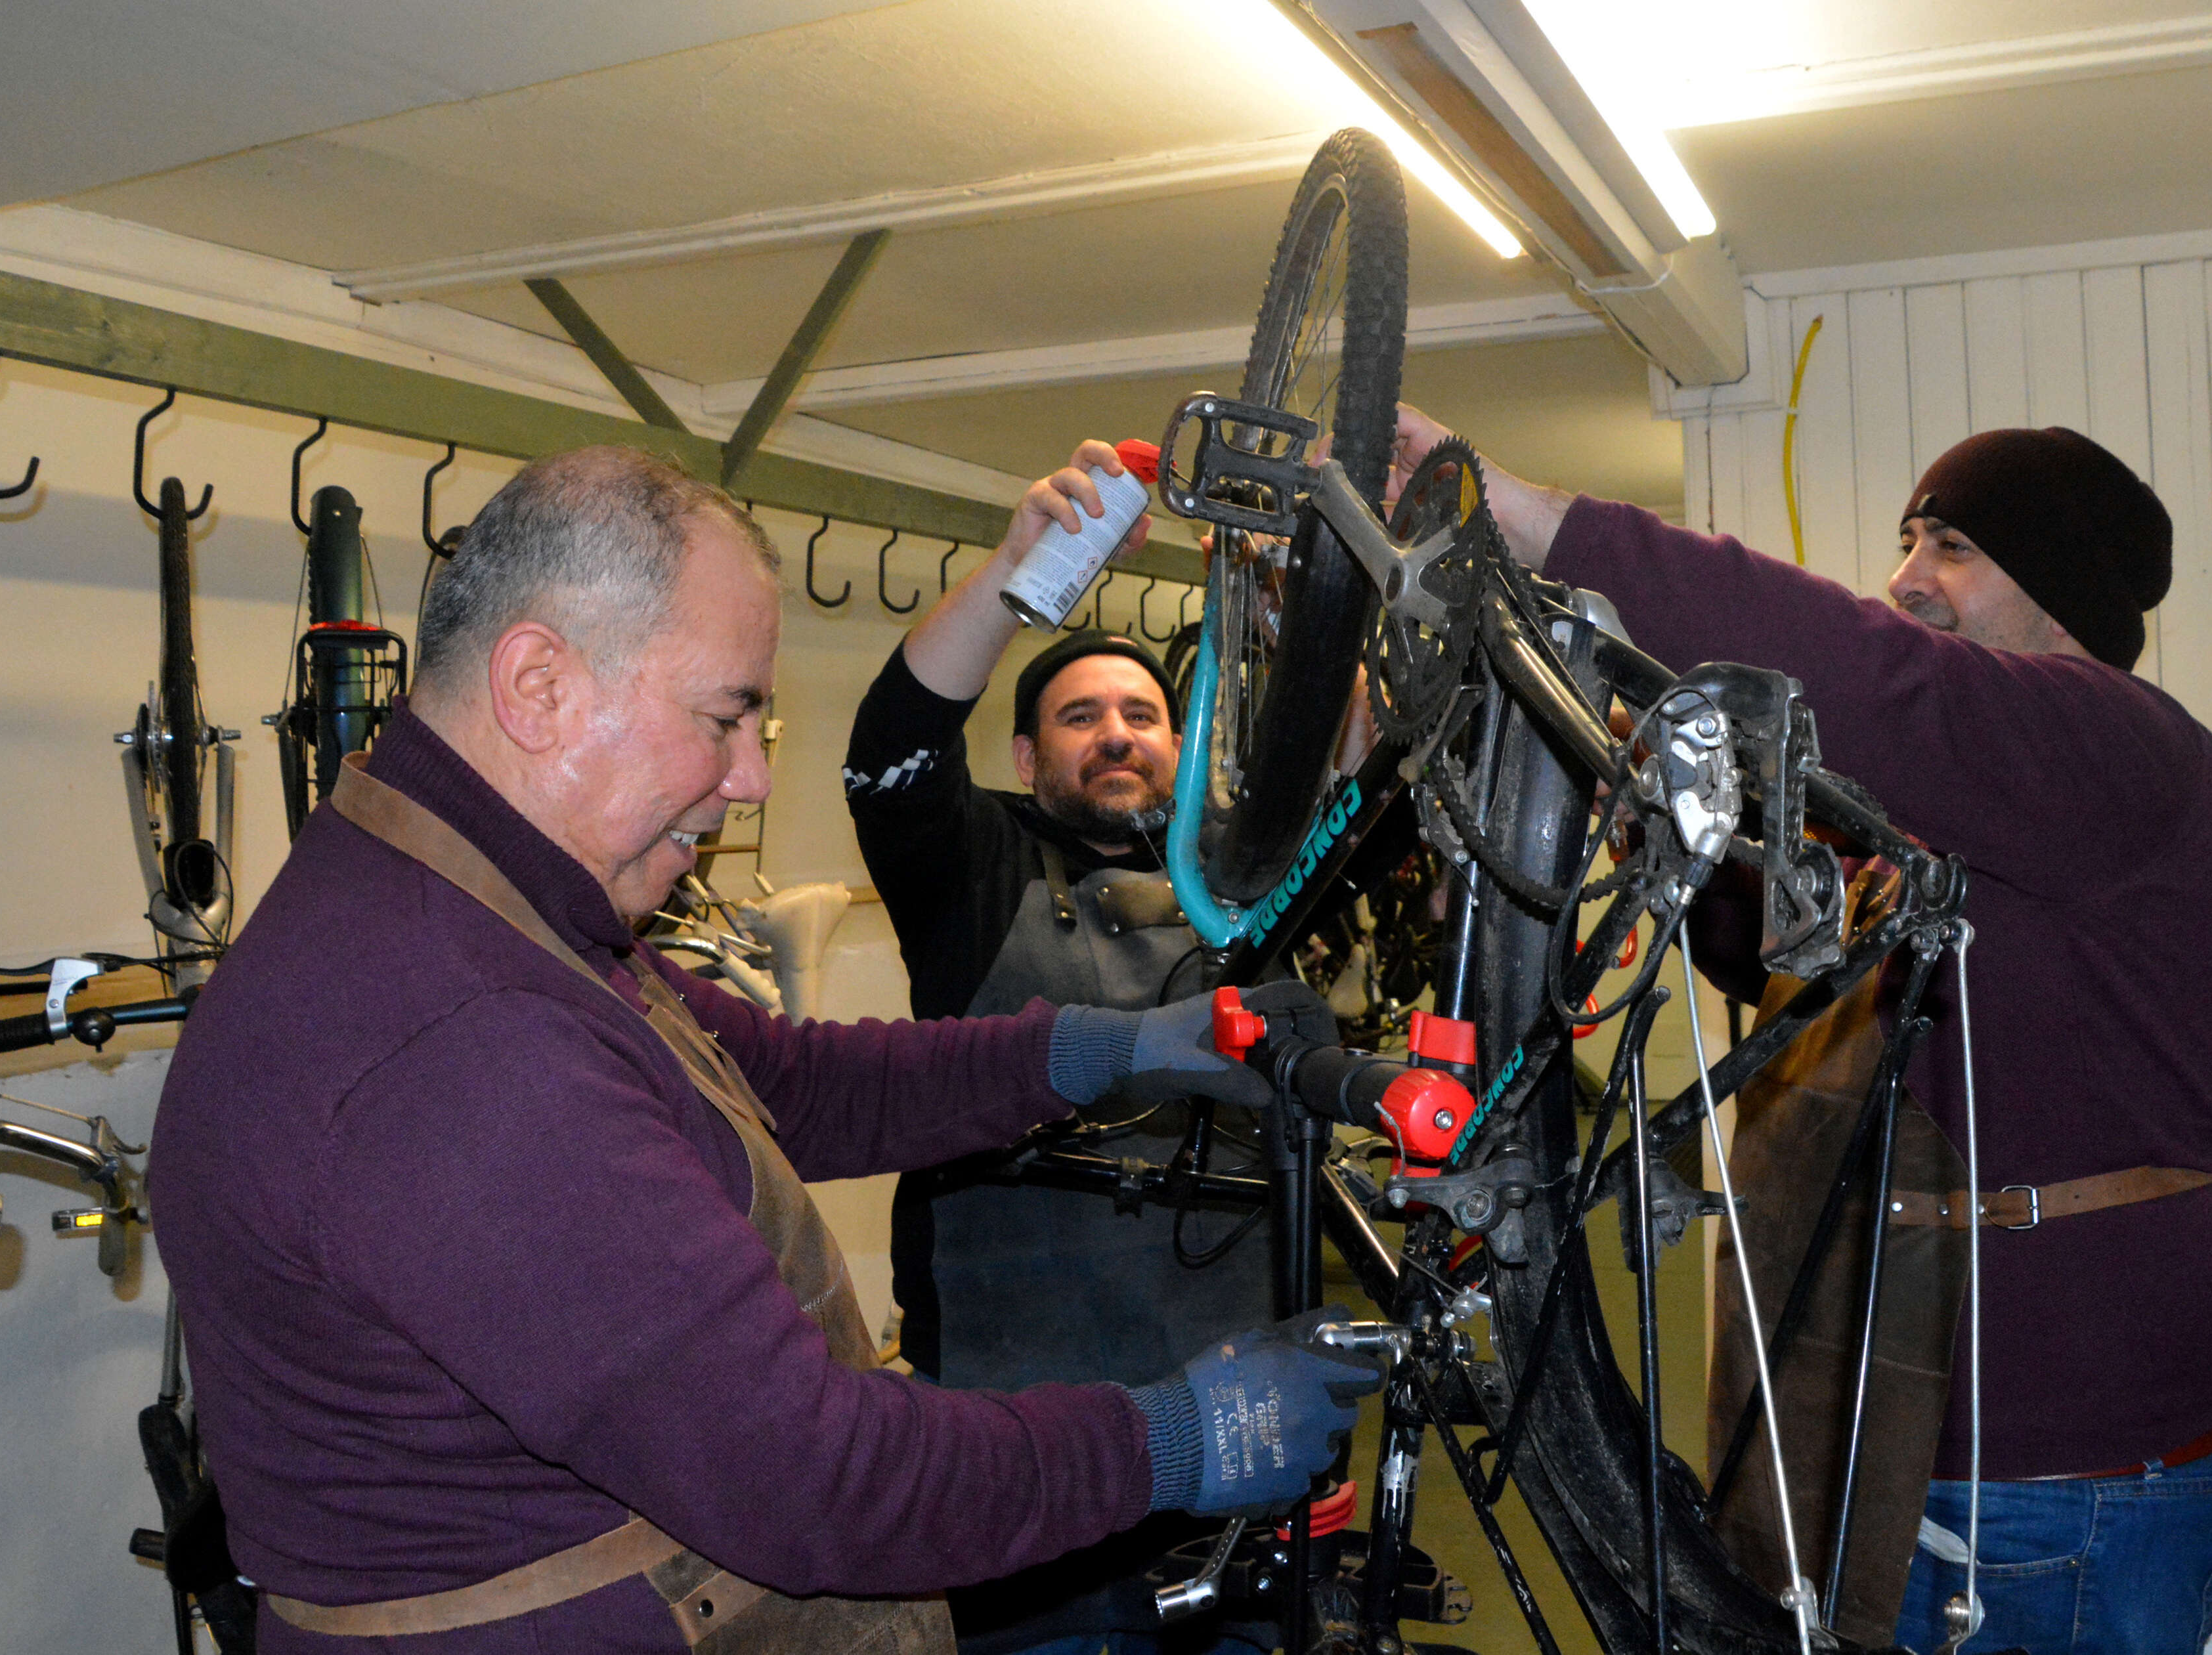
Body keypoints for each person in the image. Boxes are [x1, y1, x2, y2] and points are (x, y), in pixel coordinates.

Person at [147, 446, 1378, 1654]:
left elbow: (785, 1081)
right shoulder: (462, 1044)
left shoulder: (493, 902)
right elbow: (821, 1479)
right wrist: (1176, 1439)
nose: (751, 780)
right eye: (726, 716)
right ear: (539, 686)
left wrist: (1112, 1050)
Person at [1393, 411, 2212, 1654]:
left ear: (2065, 591)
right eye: (1908, 541)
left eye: (1953, 547)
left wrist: (1548, 525)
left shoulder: (2120, 745)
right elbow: (1793, 961)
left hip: (2057, 1481)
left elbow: (1872, 679)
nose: (1907, 577)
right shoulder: (1965, 813)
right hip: (1898, 1449)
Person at [844, 441, 1278, 1652]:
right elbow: (894, 741)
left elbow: (1361, 765)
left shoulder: (1252, 887)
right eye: (1080, 717)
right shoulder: (973, 867)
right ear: (1029, 760)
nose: (1117, 734)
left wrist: (1287, 599)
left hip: (1232, 1421)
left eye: (1142, 714)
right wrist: (1017, 572)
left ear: (1184, 747)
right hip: (1017, 1440)